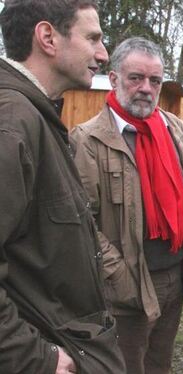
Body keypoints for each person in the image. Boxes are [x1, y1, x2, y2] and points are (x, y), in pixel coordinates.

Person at [70, 37, 183, 374]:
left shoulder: (177, 130)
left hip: (176, 275)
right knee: (126, 366)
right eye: (136, 78)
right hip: (125, 287)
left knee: (160, 363)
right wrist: (118, 276)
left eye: (155, 81)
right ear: (114, 79)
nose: (146, 88)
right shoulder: (88, 140)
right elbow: (82, 224)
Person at [0, 1, 127, 373]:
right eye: (93, 38)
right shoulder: (12, 124)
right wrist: (36, 358)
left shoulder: (35, 116)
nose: (103, 54)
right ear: (47, 38)